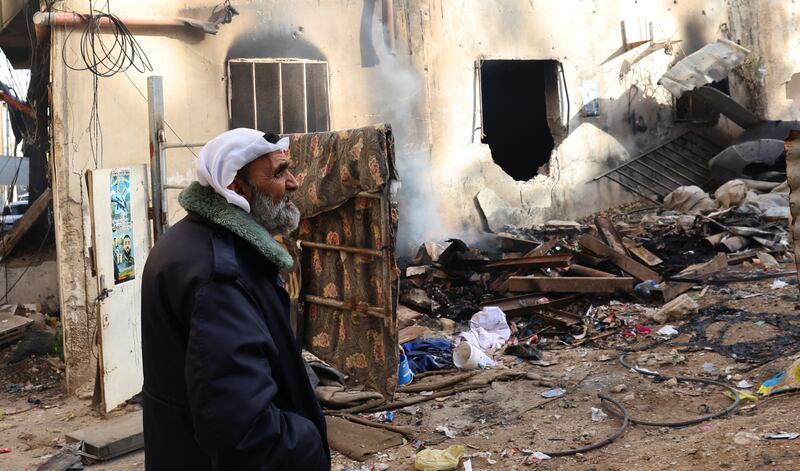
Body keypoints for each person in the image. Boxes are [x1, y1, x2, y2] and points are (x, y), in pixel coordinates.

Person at [140, 129, 330, 470]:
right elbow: (247, 433)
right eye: (277, 173)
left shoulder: (191, 243)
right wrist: (309, 443)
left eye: (288, 169)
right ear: (236, 188)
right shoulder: (218, 277)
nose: (294, 183)